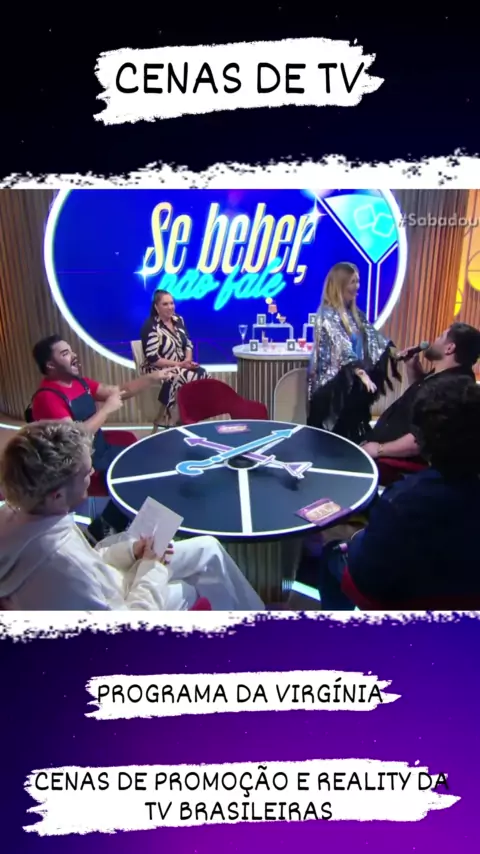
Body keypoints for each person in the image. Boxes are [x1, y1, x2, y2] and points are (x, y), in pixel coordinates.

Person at [0, 421, 265, 611]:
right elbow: (126, 631)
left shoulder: (17, 514)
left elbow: (92, 560)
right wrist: (152, 567)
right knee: (188, 588)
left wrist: (132, 552)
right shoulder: (64, 562)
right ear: (57, 495)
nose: (92, 475)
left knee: (208, 548)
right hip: (122, 612)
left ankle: (257, 622)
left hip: (113, 581)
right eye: (85, 473)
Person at [315, 375, 480, 610]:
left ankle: (334, 629)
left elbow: (369, 573)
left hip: (401, 601)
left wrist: (356, 541)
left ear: (421, 441)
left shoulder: (401, 500)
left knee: (333, 552)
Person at [28, 335, 173, 539]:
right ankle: (106, 530)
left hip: (100, 450)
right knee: (140, 478)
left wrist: (153, 377)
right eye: (65, 353)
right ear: (50, 365)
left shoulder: (80, 382)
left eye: (71, 350)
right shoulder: (47, 397)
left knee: (153, 463)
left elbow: (119, 392)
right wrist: (106, 410)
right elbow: (74, 437)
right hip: (79, 464)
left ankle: (124, 527)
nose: (74, 355)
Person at [307, 262, 400, 444]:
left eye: (358, 281)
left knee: (354, 433)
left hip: (354, 386)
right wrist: (360, 372)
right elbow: (340, 345)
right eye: (353, 282)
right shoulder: (326, 314)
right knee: (331, 438)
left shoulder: (356, 314)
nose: (357, 286)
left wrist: (395, 354)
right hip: (333, 389)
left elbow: (374, 339)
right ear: (340, 284)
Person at [361, 322, 480, 464]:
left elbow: (420, 439)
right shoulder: (445, 374)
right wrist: (412, 366)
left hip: (396, 462)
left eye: (440, 337)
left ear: (449, 348)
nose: (434, 340)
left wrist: (379, 449)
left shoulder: (454, 387)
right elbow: (423, 398)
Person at [141, 289, 209, 425]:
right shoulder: (151, 326)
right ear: (156, 307)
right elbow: (153, 359)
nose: (170, 307)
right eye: (165, 304)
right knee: (185, 376)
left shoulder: (178, 320)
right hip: (159, 369)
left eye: (172, 303)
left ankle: (193, 416)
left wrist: (187, 361)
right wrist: (179, 365)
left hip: (180, 365)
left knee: (203, 373)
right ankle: (180, 419)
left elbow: (188, 343)